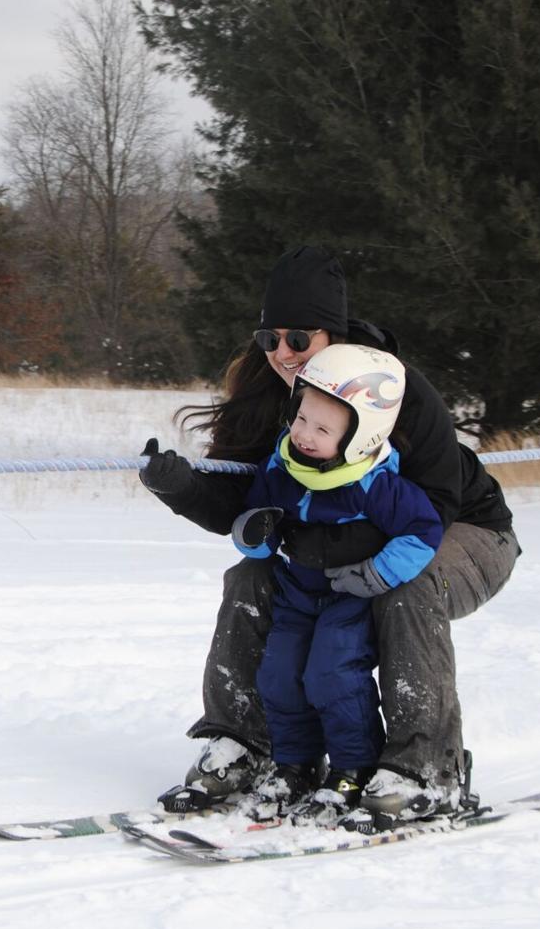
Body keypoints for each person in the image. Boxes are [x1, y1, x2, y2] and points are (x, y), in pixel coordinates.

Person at [140, 244, 519, 833]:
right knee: (252, 575)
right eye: (270, 340)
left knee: (405, 586)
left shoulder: (396, 391)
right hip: (335, 550)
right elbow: (250, 507)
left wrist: (333, 547)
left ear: (333, 335)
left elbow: (434, 509)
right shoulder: (272, 396)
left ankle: (426, 768)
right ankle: (245, 743)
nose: (283, 355)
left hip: (461, 533)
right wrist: (182, 487)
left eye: (299, 338)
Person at [229, 342, 445, 828]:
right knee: (279, 674)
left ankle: (352, 769)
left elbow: (423, 532)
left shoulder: (376, 484)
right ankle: (295, 766)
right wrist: (255, 537)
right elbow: (257, 524)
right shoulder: (282, 466)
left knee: (332, 675)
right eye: (301, 419)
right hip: (297, 593)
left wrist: (377, 575)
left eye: (323, 429)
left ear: (361, 436)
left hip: (350, 598)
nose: (304, 435)